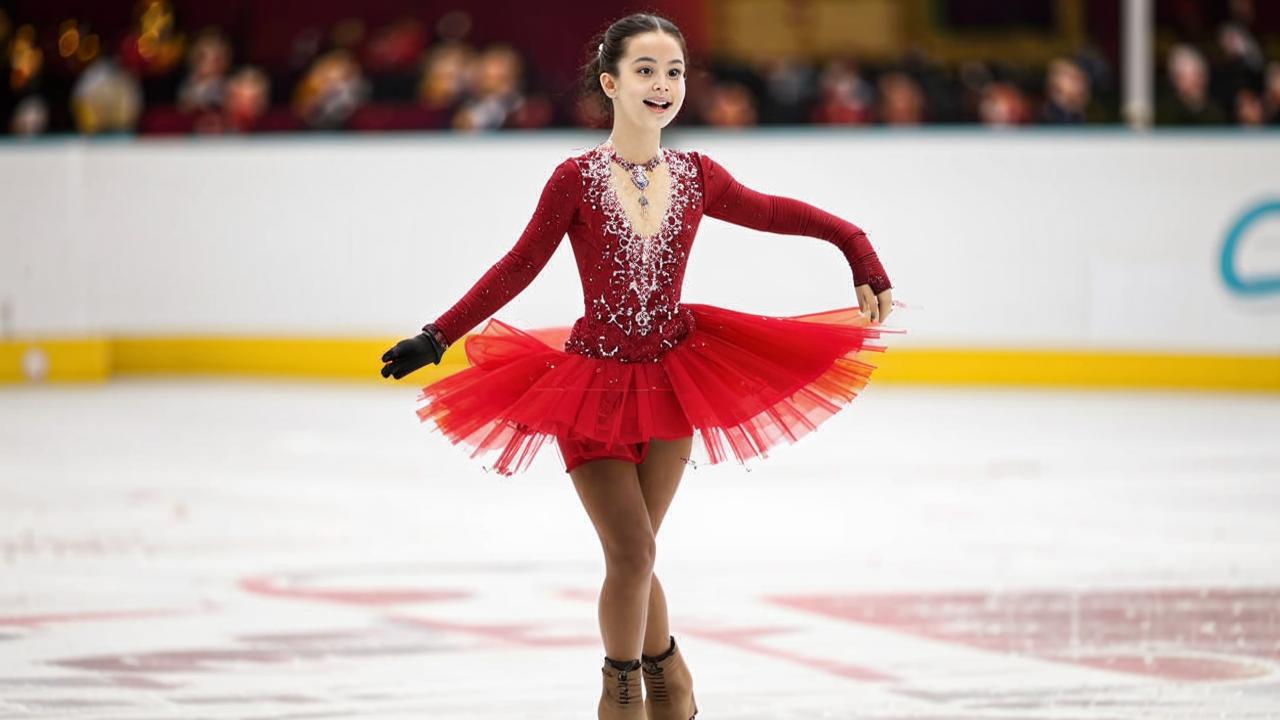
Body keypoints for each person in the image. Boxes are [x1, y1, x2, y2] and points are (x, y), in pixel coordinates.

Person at [380, 13, 899, 719]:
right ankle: (623, 688)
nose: (663, 85)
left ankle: (670, 677)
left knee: (641, 554)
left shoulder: (696, 175)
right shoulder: (576, 179)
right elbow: (518, 267)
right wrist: (438, 336)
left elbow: (778, 213)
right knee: (630, 552)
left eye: (675, 71)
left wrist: (857, 246)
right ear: (611, 82)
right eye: (647, 71)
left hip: (675, 383)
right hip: (590, 387)